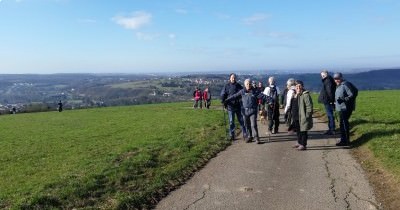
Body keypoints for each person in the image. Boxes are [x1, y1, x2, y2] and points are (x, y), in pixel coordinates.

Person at [224, 79, 270, 144]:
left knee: (253, 125)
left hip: (253, 111)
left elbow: (263, 96)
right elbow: (234, 96)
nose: (248, 85)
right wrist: (226, 100)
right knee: (247, 125)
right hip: (244, 111)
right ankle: (250, 137)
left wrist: (271, 99)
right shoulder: (242, 91)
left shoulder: (255, 91)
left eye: (249, 84)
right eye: (247, 84)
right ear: (245, 85)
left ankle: (256, 138)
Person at [220, 73, 247, 141]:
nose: (233, 78)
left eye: (234, 77)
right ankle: (232, 135)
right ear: (230, 78)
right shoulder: (226, 86)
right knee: (231, 121)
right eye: (232, 77)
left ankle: (245, 134)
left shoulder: (239, 86)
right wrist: (223, 99)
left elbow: (243, 93)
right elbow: (223, 93)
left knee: (241, 121)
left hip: (238, 106)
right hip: (230, 106)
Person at [334, 72, 355, 146]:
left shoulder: (345, 84)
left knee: (344, 124)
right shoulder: (339, 85)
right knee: (342, 124)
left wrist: (344, 99)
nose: (336, 80)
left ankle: (346, 141)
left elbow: (353, 93)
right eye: (335, 79)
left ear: (341, 78)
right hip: (341, 108)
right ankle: (343, 140)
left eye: (338, 78)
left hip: (346, 107)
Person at [291, 80, 313, 150]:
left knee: (303, 131)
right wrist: (296, 95)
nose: (298, 87)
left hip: (303, 117)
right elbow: (293, 104)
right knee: (298, 131)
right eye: (296, 86)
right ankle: (299, 142)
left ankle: (303, 144)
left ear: (302, 86)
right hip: (296, 116)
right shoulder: (295, 94)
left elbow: (309, 107)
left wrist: (307, 116)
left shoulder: (305, 95)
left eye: (299, 86)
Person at [318, 70, 336, 135]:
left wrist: (332, 101)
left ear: (325, 75)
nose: (322, 77)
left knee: (330, 115)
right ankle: (331, 128)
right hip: (328, 100)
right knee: (330, 114)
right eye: (321, 76)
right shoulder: (329, 80)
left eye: (323, 75)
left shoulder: (328, 81)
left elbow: (329, 92)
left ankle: (332, 129)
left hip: (328, 100)